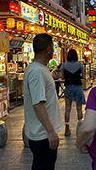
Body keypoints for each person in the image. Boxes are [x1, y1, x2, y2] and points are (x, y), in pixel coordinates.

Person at [23, 33, 62, 170]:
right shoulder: (36, 71)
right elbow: (38, 104)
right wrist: (50, 131)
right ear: (48, 49)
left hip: (44, 133)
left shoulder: (40, 69)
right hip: (43, 135)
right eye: (52, 47)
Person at [60, 49, 86, 136]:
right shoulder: (80, 64)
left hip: (68, 88)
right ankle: (80, 126)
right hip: (78, 88)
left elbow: (62, 77)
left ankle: (67, 128)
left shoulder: (64, 65)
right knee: (79, 109)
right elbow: (84, 76)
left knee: (67, 109)